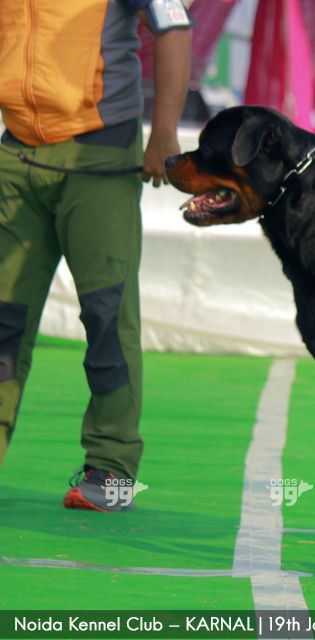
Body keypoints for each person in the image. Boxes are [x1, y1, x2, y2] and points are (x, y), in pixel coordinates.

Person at [0, 0, 192, 511]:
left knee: (107, 314)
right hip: (15, 151)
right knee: (3, 320)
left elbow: (173, 25)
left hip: (101, 151)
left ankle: (111, 470)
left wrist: (165, 133)